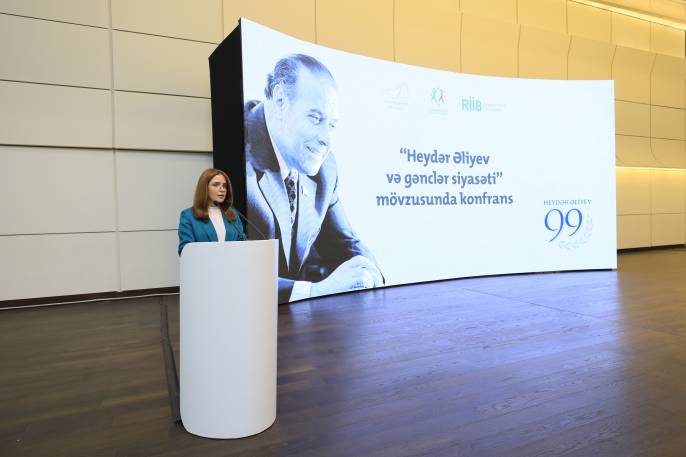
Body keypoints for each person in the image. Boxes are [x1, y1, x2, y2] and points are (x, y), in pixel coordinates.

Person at [244, 53, 383, 303]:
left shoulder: (325, 169)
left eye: (332, 125)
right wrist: (315, 291)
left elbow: (345, 245)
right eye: (315, 118)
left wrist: (370, 275)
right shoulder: (238, 154)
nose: (327, 140)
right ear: (280, 100)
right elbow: (235, 276)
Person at [178, 168, 246, 255]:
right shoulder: (189, 215)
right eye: (216, 185)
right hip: (204, 263)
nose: (222, 189)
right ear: (204, 188)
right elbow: (185, 250)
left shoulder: (233, 214)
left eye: (224, 186)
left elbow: (242, 242)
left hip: (232, 263)